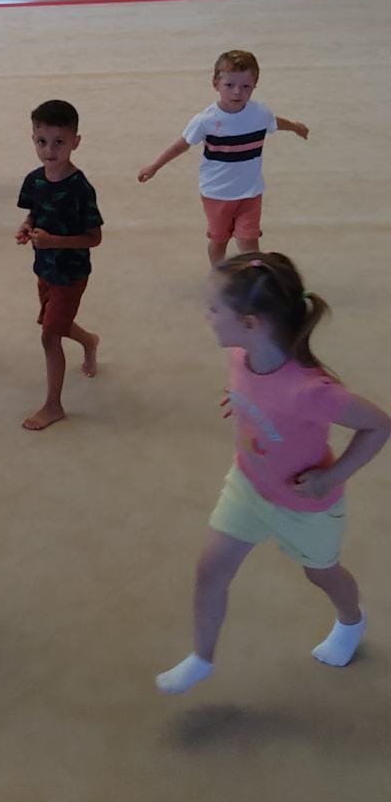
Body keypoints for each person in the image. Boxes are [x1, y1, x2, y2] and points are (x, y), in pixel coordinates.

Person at [156, 251, 390, 695]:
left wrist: (332, 476)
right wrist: (244, 403)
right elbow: (258, 390)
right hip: (247, 486)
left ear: (250, 323)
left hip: (305, 505)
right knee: (210, 570)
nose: (205, 316)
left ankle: (351, 620)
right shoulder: (241, 355)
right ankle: (202, 657)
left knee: (320, 573)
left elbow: (379, 425)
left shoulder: (311, 390)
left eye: (213, 309)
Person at [138, 49, 308, 267]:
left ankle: (253, 277)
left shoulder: (259, 114)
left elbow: (275, 122)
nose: (237, 92)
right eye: (229, 85)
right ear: (215, 84)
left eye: (245, 86)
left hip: (250, 192)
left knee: (249, 241)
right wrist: (154, 166)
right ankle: (219, 273)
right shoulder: (206, 120)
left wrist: (295, 127)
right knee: (219, 240)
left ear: (255, 85)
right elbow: (183, 143)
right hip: (216, 193)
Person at [16, 100, 102, 431]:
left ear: (75, 142)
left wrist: (54, 241)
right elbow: (34, 213)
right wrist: (27, 226)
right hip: (44, 269)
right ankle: (89, 340)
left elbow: (94, 237)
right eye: (42, 141)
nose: (49, 150)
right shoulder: (34, 180)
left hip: (71, 274)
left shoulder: (80, 188)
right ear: (33, 139)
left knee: (49, 337)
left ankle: (54, 405)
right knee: (57, 325)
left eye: (59, 142)